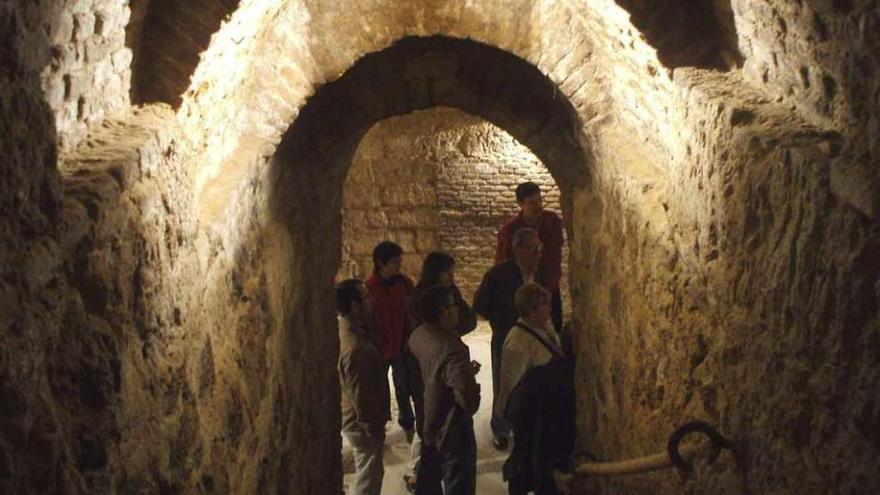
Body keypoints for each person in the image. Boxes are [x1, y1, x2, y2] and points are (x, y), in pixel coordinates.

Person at [404, 252, 477, 493]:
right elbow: (467, 397)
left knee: (430, 469)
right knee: (458, 479)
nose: (457, 310)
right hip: (450, 422)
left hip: (429, 412)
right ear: (444, 312)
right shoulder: (453, 348)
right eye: (453, 307)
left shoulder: (417, 336)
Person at [498, 283, 574, 495]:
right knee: (527, 460)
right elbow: (511, 383)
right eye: (544, 305)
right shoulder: (517, 340)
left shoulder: (544, 330)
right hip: (532, 415)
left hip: (546, 413)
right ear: (531, 311)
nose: (550, 309)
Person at [474, 228, 545, 450]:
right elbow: (481, 305)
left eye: (538, 248)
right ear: (518, 249)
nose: (537, 253)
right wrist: (503, 320)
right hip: (507, 338)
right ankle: (501, 428)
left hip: (535, 338)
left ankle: (527, 425)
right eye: (533, 248)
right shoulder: (498, 274)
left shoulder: (540, 273)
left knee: (533, 382)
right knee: (506, 384)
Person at [337, 279, 391, 495]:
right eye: (367, 297)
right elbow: (361, 394)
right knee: (369, 476)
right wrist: (372, 428)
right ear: (354, 305)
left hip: (356, 420)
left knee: (368, 471)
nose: (372, 300)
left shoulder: (350, 332)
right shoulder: (355, 347)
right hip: (361, 424)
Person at [495, 181, 564, 333]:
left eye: (540, 200)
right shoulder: (510, 230)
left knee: (555, 330)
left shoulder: (552, 222)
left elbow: (557, 251)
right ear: (520, 203)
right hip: (524, 291)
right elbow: (502, 260)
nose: (538, 205)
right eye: (532, 202)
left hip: (550, 285)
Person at [366, 241, 416, 442]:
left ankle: (408, 425)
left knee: (403, 387)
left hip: (402, 345)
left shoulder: (405, 283)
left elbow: (410, 312)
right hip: (379, 348)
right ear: (381, 263)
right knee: (378, 389)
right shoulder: (369, 288)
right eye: (396, 261)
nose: (400, 264)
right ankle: (379, 426)